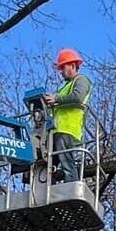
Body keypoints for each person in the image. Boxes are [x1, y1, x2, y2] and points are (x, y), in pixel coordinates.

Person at [42, 48, 92, 183]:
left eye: (63, 68)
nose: (61, 72)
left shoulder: (81, 80)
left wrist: (56, 99)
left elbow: (78, 96)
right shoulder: (65, 86)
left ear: (73, 65)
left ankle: (71, 185)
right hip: (58, 130)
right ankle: (48, 186)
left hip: (68, 130)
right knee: (49, 162)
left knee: (66, 161)